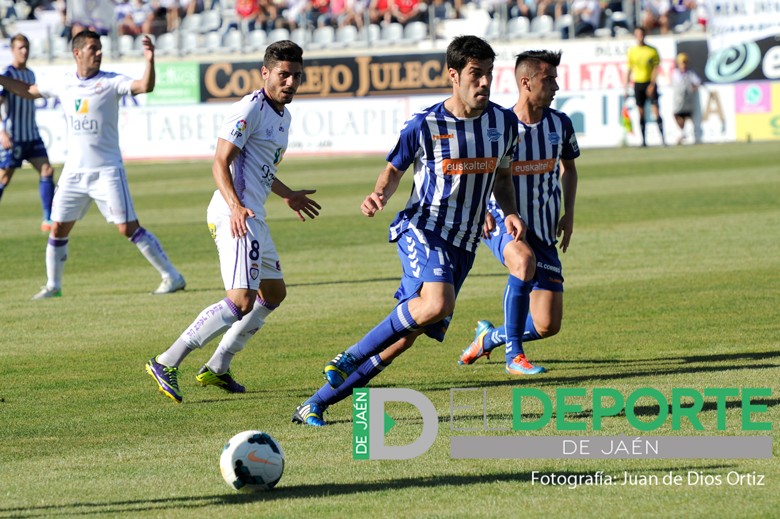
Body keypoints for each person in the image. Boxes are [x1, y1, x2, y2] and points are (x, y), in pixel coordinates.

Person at [292, 35, 522, 427]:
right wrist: (379, 194)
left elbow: (502, 176)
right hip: (423, 227)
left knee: (404, 338)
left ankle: (315, 403)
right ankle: (348, 355)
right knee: (436, 304)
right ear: (453, 75)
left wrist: (510, 212)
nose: (484, 83)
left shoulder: (504, 122)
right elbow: (395, 167)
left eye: (488, 74)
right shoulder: (426, 124)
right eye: (475, 75)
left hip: (464, 243)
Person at [145, 40, 321, 404]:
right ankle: (167, 361)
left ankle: (218, 365)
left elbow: (261, 168)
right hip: (235, 215)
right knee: (240, 300)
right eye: (283, 75)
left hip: (254, 215)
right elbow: (219, 161)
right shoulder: (250, 108)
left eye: (296, 76)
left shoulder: (283, 117)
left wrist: (287, 194)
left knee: (273, 294)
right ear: (265, 73)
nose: (290, 83)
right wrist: (236, 206)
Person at [0, 30, 186, 299]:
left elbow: (145, 86)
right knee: (58, 227)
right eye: (92, 48)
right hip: (74, 173)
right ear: (77, 53)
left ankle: (173, 276)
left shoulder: (111, 82)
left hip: (107, 171)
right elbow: (28, 91)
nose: (99, 53)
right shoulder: (64, 83)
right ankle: (53, 286)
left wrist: (150, 60)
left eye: (100, 48)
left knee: (127, 228)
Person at [458, 50, 580, 374]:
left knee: (547, 324)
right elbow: (478, 169)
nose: (555, 86)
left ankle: (488, 339)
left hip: (543, 231)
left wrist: (569, 213)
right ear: (526, 82)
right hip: (502, 219)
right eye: (548, 79)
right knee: (523, 261)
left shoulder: (560, 124)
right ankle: (514, 356)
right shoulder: (501, 125)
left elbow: (570, 169)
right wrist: (480, 207)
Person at [0, 34, 56, 233]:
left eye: (26, 47)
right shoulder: (7, 75)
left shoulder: (31, 74)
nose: (24, 51)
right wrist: (2, 133)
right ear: (13, 50)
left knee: (47, 170)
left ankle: (48, 219)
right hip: (14, 137)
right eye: (20, 48)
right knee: (4, 178)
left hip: (32, 135)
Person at [625, 26, 665, 147]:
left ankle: (663, 139)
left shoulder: (652, 51)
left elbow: (655, 69)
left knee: (655, 111)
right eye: (637, 34)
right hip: (638, 84)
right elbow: (629, 70)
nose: (640, 37)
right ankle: (643, 141)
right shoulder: (632, 51)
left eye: (641, 34)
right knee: (641, 112)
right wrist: (626, 87)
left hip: (649, 83)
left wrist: (652, 84)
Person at [671, 52, 701, 145]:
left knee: (689, 117)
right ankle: (682, 134)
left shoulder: (690, 73)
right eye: (681, 63)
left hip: (688, 100)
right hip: (678, 100)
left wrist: (693, 88)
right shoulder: (675, 73)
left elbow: (697, 82)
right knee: (677, 115)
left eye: (684, 63)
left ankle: (692, 136)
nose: (683, 65)